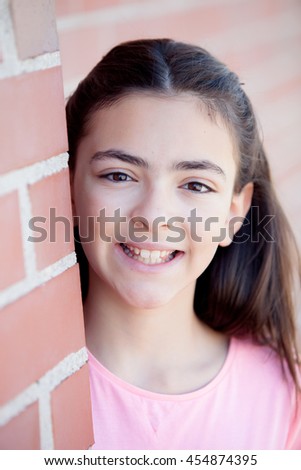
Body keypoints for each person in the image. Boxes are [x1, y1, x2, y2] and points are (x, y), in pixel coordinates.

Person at [66, 38, 301, 450]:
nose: (154, 217)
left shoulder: (284, 395)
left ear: (234, 212)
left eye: (195, 184)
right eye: (119, 175)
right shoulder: (19, 389)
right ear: (67, 186)